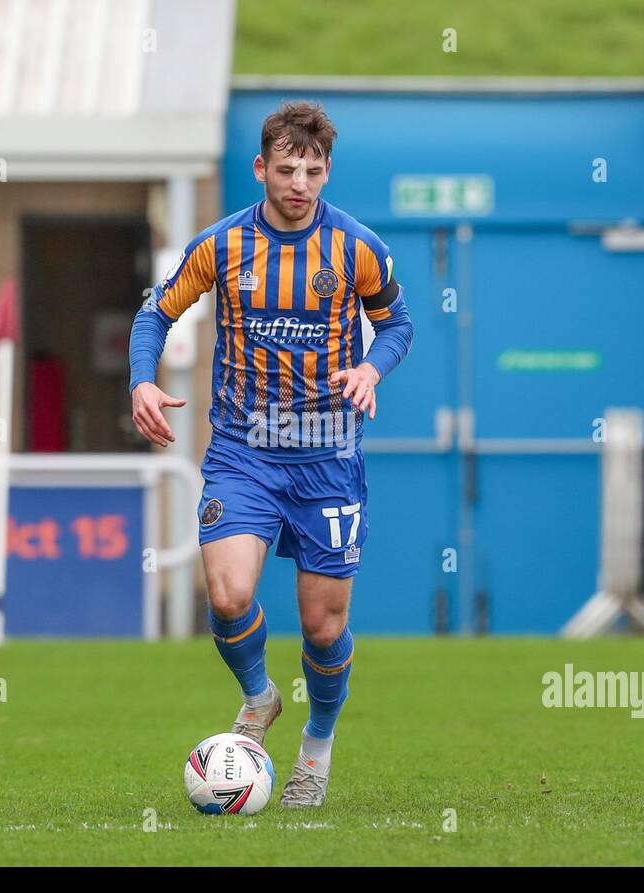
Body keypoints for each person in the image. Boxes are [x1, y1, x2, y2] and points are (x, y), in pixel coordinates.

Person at [129, 102, 413, 807]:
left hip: (327, 457)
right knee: (226, 595)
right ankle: (259, 696)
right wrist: (142, 379)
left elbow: (397, 321)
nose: (299, 183)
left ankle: (315, 749)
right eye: (286, 169)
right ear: (260, 168)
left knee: (323, 626)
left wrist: (372, 368)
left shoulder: (356, 248)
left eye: (313, 171)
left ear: (326, 172)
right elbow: (157, 312)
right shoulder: (222, 246)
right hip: (243, 452)